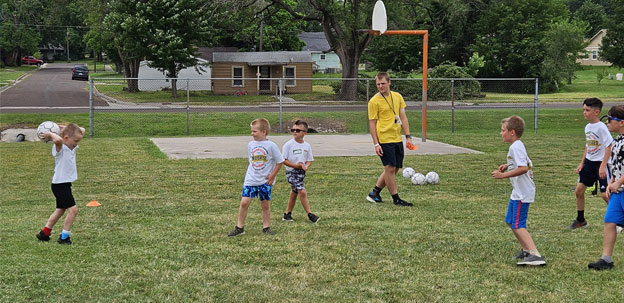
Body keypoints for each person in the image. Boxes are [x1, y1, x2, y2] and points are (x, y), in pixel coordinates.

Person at [492, 116, 546, 266]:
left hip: (523, 193)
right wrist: (508, 165)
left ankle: (535, 254)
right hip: (518, 192)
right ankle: (526, 250)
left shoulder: (515, 147)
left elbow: (523, 168)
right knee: (510, 221)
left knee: (518, 224)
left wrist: (503, 175)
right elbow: (524, 163)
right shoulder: (518, 146)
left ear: (512, 132)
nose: (501, 133)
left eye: (503, 130)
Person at [228, 118, 284, 237]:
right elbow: (251, 160)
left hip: (265, 181)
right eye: (252, 131)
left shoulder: (271, 145)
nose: (252, 134)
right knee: (244, 202)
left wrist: (272, 175)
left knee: (265, 204)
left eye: (255, 131)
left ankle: (266, 227)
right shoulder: (251, 145)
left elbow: (280, 161)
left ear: (264, 132)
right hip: (251, 179)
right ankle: (239, 227)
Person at [366, 72, 413, 207]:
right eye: (378, 84)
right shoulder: (374, 101)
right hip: (384, 139)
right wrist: (376, 143)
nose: (380, 86)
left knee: (395, 167)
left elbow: (403, 117)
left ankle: (375, 193)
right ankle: (396, 199)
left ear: (389, 82)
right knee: (390, 168)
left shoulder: (397, 96)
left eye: (383, 83)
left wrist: (408, 136)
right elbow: (372, 123)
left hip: (396, 137)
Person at [36, 123, 85, 245]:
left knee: (60, 210)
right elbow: (58, 139)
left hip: (64, 184)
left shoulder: (71, 146)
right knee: (73, 210)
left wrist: (66, 127)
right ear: (66, 139)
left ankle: (44, 233)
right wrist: (50, 134)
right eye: (76, 141)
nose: (77, 144)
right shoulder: (60, 148)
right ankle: (64, 237)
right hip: (60, 185)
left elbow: (81, 130)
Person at [588, 105, 624, 270]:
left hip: (621, 187)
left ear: (622, 122)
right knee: (610, 221)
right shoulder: (617, 141)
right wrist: (612, 181)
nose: (607, 123)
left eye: (610, 120)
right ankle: (606, 259)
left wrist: (619, 181)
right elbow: (616, 164)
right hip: (618, 189)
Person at [569, 98, 613, 229]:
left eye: (587, 110)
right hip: (589, 164)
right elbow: (588, 146)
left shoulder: (602, 127)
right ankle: (581, 220)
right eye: (583, 110)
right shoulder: (588, 127)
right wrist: (582, 163)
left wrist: (603, 165)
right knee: (579, 191)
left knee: (605, 195)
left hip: (601, 164)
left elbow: (609, 146)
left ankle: (619, 219)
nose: (584, 112)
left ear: (596, 112)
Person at [281, 120, 319, 223]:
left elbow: (309, 159)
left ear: (304, 133)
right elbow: (283, 160)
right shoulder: (288, 145)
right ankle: (310, 214)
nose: (295, 132)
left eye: (298, 130)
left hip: (301, 173)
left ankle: (287, 214)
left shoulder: (306, 146)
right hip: (291, 172)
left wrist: (306, 166)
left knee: (294, 192)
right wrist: (295, 166)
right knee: (302, 191)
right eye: (293, 130)